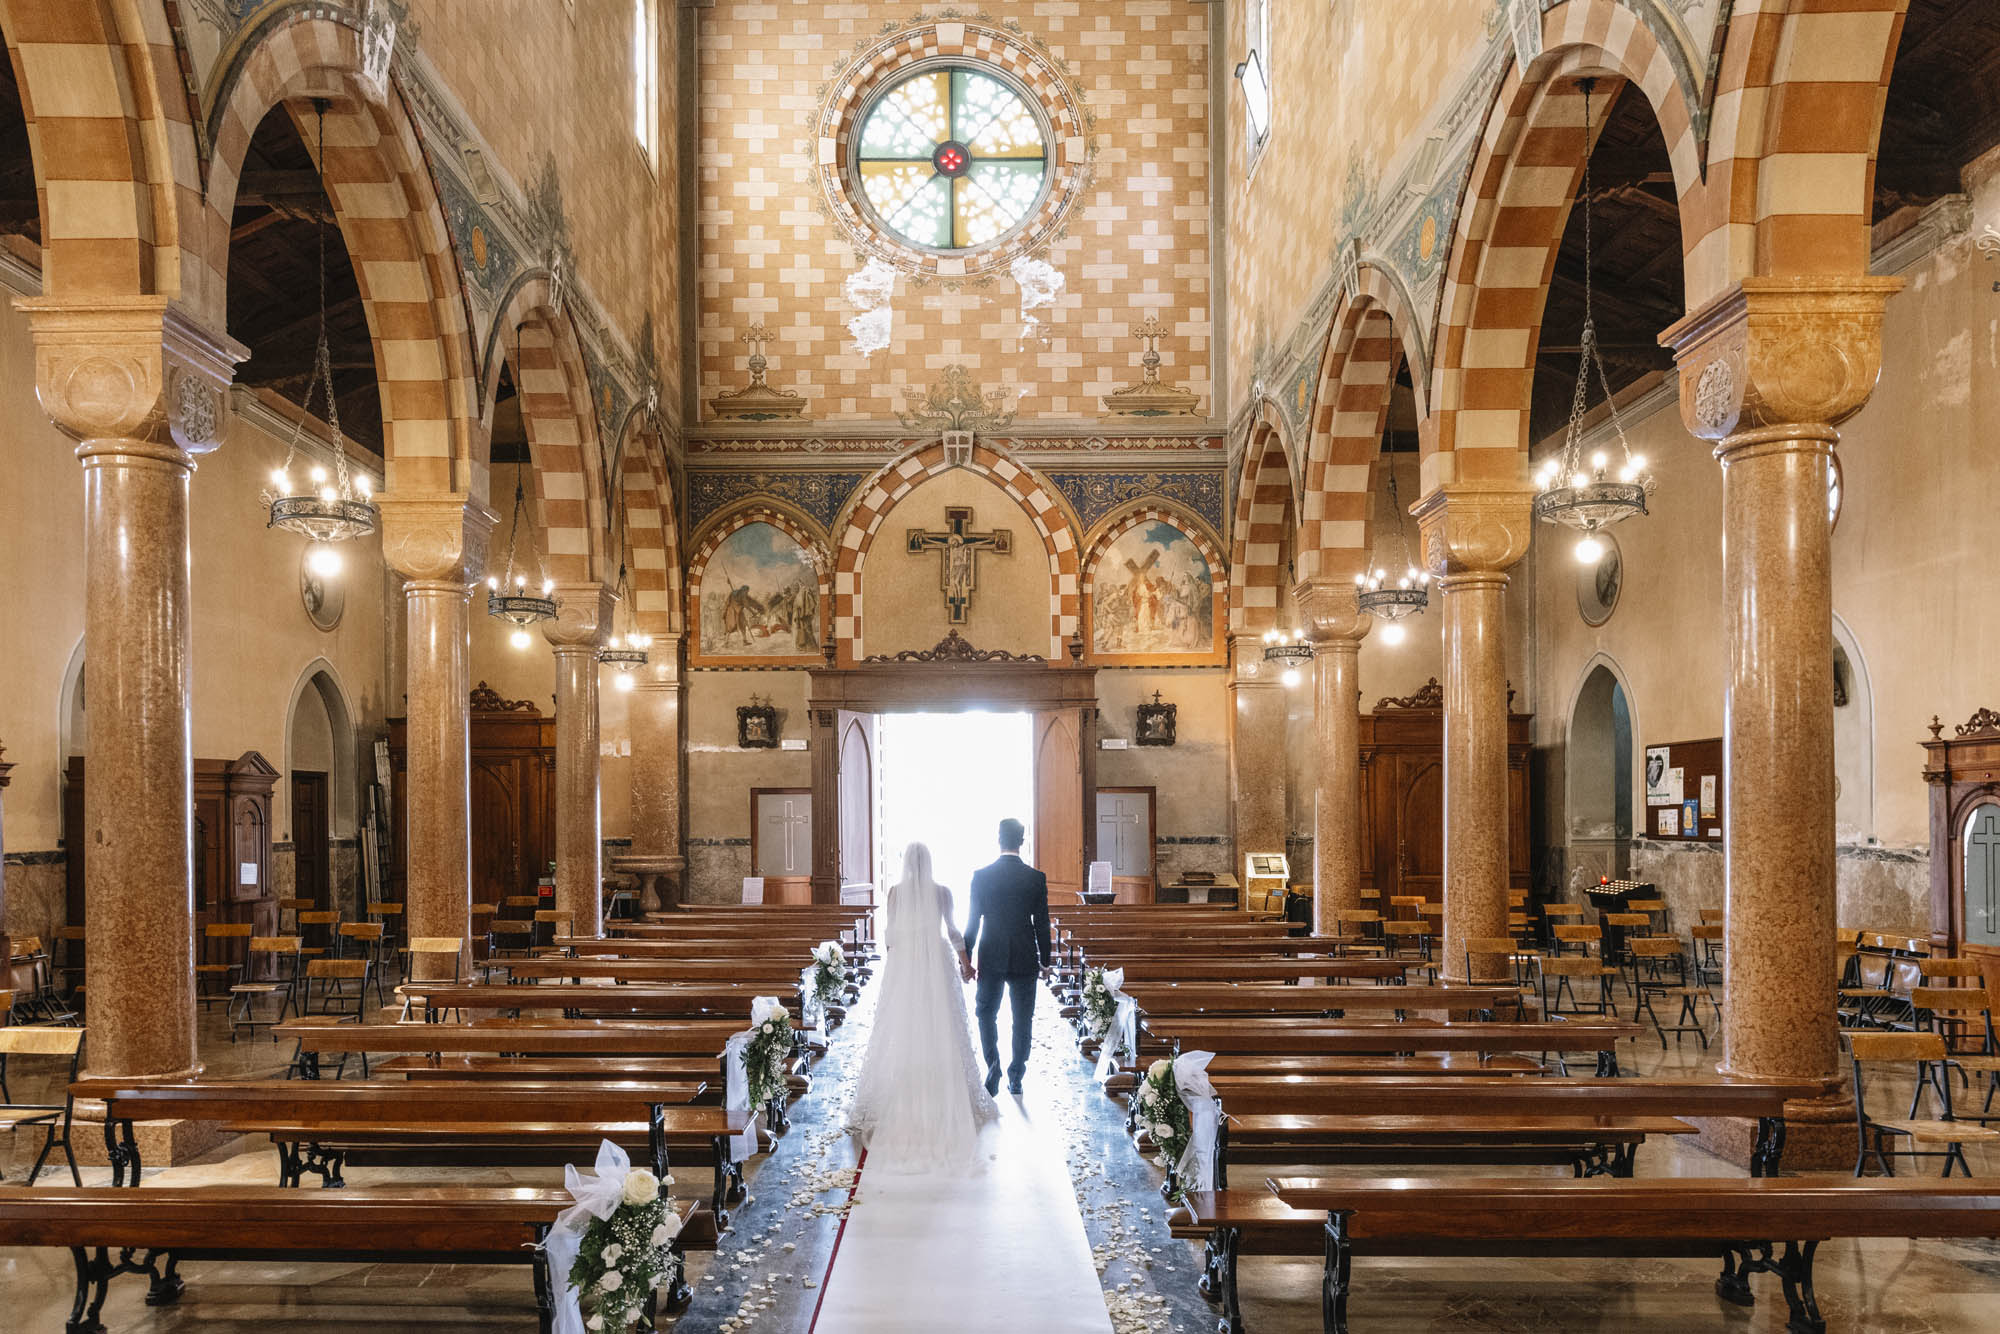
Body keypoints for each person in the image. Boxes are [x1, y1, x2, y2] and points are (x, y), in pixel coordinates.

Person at [845, 842, 997, 1173]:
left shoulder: (894, 893)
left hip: (905, 962)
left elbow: (889, 935)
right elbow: (953, 932)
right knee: (940, 1023)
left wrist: (897, 963)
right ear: (929, 862)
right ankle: (940, 1086)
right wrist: (966, 964)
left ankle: (906, 1082)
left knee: (904, 1023)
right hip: (936, 962)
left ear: (906, 864)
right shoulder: (942, 892)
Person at [964, 817, 1052, 1096]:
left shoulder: (981, 876)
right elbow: (1042, 923)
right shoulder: (1035, 878)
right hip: (1025, 955)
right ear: (1022, 842)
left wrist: (966, 958)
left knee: (985, 1012)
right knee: (1023, 1018)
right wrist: (1046, 960)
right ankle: (1016, 1076)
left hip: (991, 953)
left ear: (998, 839)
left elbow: (972, 922)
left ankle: (994, 1066)